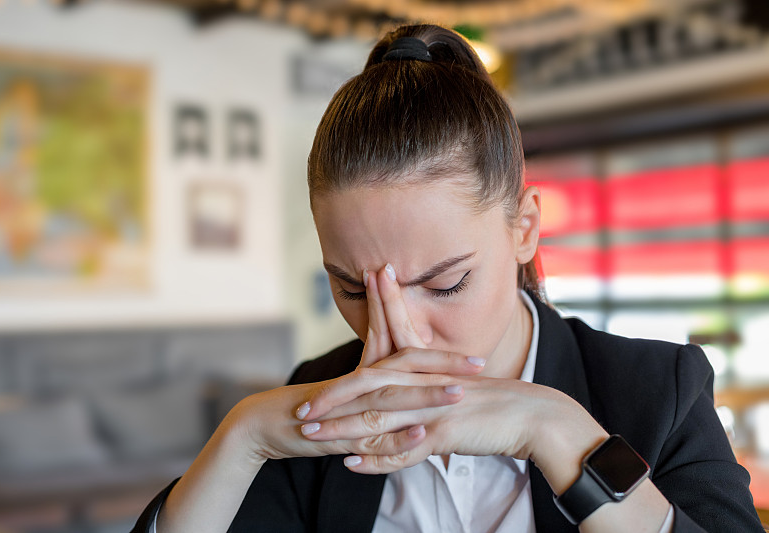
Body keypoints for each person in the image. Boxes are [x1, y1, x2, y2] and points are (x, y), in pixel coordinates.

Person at [132, 24, 763, 533]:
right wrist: (242, 436)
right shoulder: (321, 400)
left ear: (524, 227)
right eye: (354, 289)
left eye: (444, 284)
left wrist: (557, 432)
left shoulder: (659, 391)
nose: (398, 331)